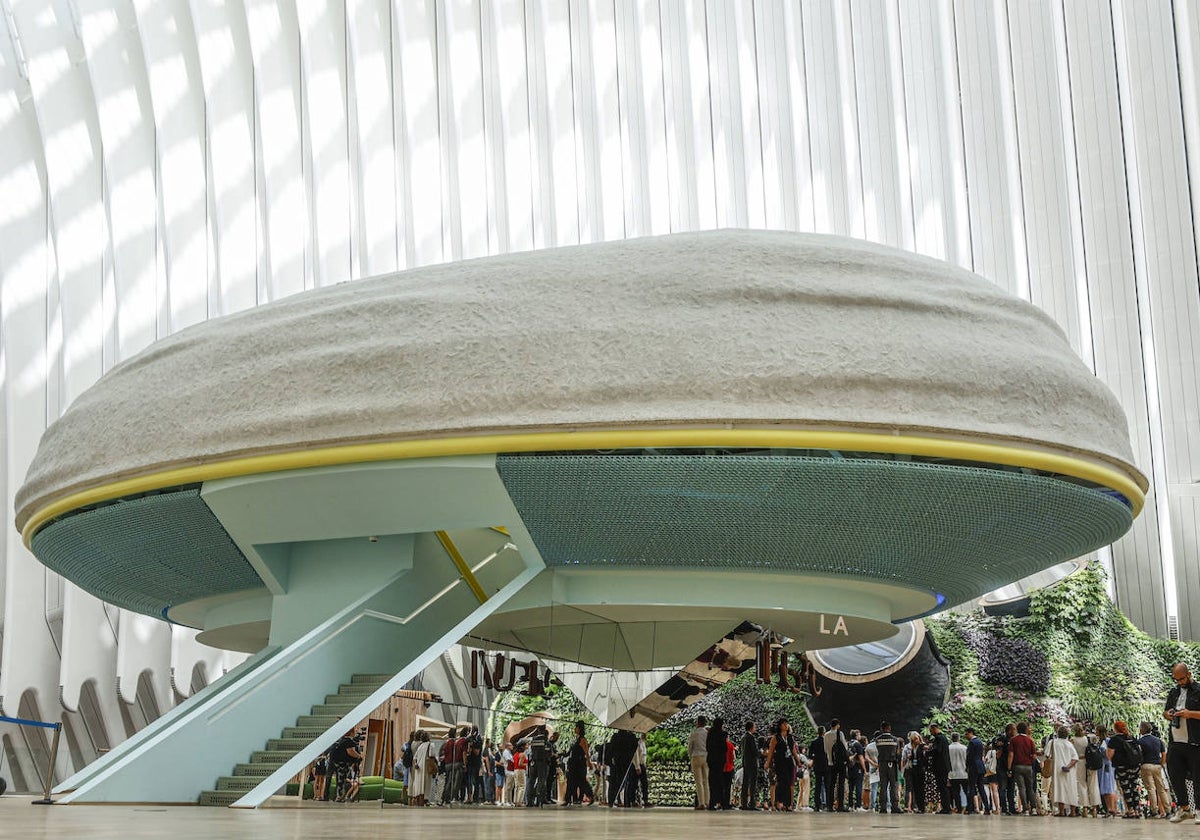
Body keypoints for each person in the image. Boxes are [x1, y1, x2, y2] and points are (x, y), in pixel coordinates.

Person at [1165, 662, 1200, 824]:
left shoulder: (1198, 691)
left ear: (1189, 674)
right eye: (1176, 680)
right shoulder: (1173, 692)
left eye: (1181, 679)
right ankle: (1184, 809)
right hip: (1175, 740)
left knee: (1198, 776)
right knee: (1175, 775)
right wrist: (1169, 714)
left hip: (1195, 741)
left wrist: (1189, 714)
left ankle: (1199, 811)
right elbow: (1165, 712)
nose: (1179, 682)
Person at [1106, 720, 1143, 818]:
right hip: (1135, 766)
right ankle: (1137, 810)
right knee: (1134, 787)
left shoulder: (1114, 740)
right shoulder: (1131, 738)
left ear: (1115, 729)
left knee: (1126, 788)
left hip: (1122, 767)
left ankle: (1130, 810)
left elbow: (1109, 755)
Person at [765, 718, 799, 811]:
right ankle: (779, 802)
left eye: (787, 724)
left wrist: (798, 761)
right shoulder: (775, 737)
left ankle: (787, 805)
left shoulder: (790, 737)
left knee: (788, 782)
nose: (786, 725)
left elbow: (793, 750)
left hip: (789, 762)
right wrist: (767, 763)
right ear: (780, 726)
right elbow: (771, 751)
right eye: (784, 724)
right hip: (780, 762)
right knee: (781, 782)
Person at [1135, 722, 1168, 818]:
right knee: (1161, 789)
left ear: (1142, 730)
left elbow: (1139, 755)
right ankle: (1168, 810)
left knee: (1151, 789)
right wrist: (1161, 763)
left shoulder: (1140, 741)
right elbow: (1164, 753)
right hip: (1157, 766)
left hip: (1146, 765)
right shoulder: (1158, 740)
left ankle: (1154, 811)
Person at [1047, 725, 1079, 816]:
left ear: (1057, 733)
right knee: (1071, 789)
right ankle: (1073, 812)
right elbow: (1075, 758)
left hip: (1057, 770)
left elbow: (1046, 754)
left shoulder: (1053, 742)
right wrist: (1068, 766)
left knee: (1059, 789)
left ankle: (1061, 811)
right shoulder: (1070, 744)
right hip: (1070, 771)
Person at [1008, 721, 1038, 815]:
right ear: (1026, 729)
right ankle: (1033, 808)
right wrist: (1030, 762)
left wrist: (1009, 768)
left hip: (1017, 766)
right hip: (1028, 766)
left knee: (1021, 788)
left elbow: (1011, 754)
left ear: (1017, 729)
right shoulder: (1030, 740)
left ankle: (1025, 809)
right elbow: (1034, 756)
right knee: (1030, 788)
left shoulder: (1013, 740)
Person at [874, 721, 901, 814]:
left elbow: (878, 751)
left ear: (882, 729)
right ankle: (894, 807)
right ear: (889, 728)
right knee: (893, 786)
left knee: (883, 786)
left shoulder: (877, 739)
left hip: (882, 764)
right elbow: (898, 753)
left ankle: (883, 808)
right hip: (892, 765)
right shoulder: (895, 739)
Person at [824, 718, 849, 811]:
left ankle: (830, 806)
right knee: (841, 784)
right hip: (841, 763)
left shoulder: (826, 735)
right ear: (837, 725)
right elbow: (844, 748)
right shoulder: (840, 733)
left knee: (831, 784)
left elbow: (825, 749)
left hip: (831, 763)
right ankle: (840, 806)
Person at [706, 717, 730, 809]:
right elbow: (724, 748)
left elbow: (707, 746)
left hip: (712, 760)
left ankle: (711, 803)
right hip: (720, 761)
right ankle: (722, 802)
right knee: (720, 782)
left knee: (712, 781)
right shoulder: (723, 734)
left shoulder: (710, 733)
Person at [928, 723, 951, 814]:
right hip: (944, 766)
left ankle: (946, 808)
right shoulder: (944, 738)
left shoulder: (938, 738)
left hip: (940, 767)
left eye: (931, 731)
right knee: (943, 787)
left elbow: (938, 750)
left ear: (934, 729)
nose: (930, 733)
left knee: (942, 788)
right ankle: (946, 807)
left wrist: (927, 752)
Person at [688, 716, 709, 810]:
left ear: (698, 723)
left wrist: (690, 756)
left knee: (699, 782)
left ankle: (701, 803)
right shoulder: (708, 733)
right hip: (706, 757)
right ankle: (707, 802)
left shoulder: (694, 733)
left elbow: (690, 748)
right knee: (706, 781)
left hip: (696, 757)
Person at [964, 728, 988, 814]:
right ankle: (987, 808)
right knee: (981, 788)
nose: (965, 736)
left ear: (971, 733)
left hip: (973, 767)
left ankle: (969, 809)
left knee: (971, 787)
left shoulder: (972, 743)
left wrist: (967, 766)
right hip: (980, 767)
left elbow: (969, 756)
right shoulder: (980, 742)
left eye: (966, 734)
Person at [410, 730, 434, 807]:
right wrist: (433, 767)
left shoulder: (420, 746)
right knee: (427, 784)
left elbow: (414, 757)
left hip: (418, 767)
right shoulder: (430, 745)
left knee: (419, 785)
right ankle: (425, 800)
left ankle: (419, 801)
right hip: (426, 767)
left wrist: (416, 764)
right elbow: (431, 756)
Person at [740, 721, 759, 810]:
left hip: (745, 762)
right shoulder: (751, 737)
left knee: (745, 783)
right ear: (751, 727)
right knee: (752, 784)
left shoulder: (743, 737)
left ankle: (743, 803)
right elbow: (754, 751)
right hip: (752, 763)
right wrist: (761, 753)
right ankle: (752, 804)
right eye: (754, 726)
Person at [809, 726, 829, 811]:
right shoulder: (827, 742)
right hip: (826, 766)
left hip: (817, 766)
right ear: (824, 732)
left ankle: (817, 805)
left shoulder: (814, 742)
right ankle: (828, 805)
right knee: (827, 785)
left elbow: (810, 755)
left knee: (818, 786)